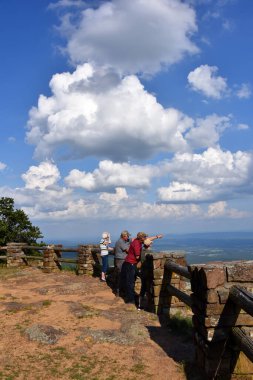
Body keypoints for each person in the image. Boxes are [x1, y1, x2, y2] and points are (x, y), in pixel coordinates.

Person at [121, 232, 163, 305]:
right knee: (130, 282)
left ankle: (132, 298)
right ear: (141, 238)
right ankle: (130, 300)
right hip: (130, 263)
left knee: (131, 281)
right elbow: (137, 256)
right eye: (144, 237)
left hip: (130, 262)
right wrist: (143, 257)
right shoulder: (137, 244)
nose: (146, 238)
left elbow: (148, 239)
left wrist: (157, 237)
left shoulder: (137, 240)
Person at [114, 230, 131, 295]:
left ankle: (121, 290)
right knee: (120, 275)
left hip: (121, 259)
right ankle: (118, 291)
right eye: (127, 236)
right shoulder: (120, 242)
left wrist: (156, 237)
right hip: (120, 260)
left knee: (122, 275)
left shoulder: (123, 241)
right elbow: (128, 251)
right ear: (123, 236)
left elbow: (134, 239)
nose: (128, 237)